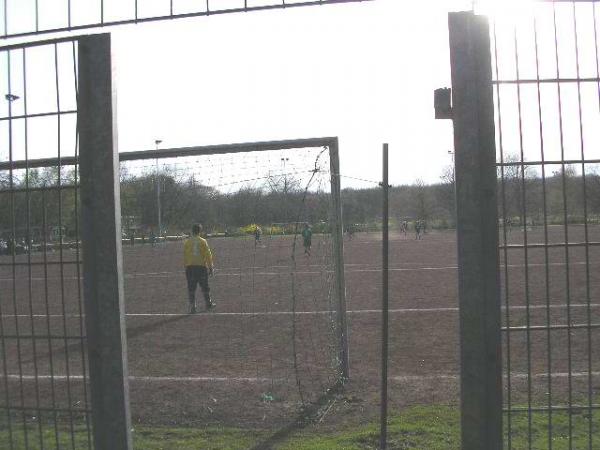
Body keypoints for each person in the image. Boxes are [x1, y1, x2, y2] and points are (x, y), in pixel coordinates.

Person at [184, 223, 215, 313]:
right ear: (200, 231)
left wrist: (186, 266)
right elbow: (208, 255)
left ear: (192, 231)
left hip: (190, 268)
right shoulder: (203, 241)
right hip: (201, 267)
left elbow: (185, 256)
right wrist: (211, 267)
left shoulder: (187, 242)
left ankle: (192, 307)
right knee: (205, 286)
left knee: (191, 288)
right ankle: (208, 303)